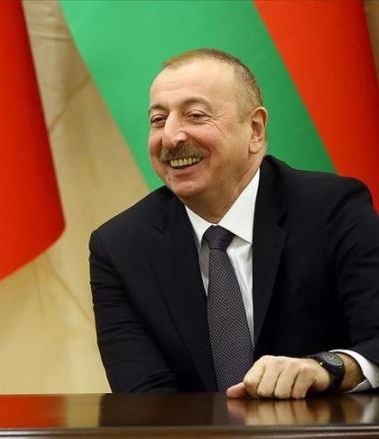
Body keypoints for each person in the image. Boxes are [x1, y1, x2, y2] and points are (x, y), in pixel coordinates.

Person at [90, 49, 379, 399]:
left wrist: (327, 368)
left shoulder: (332, 209)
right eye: (158, 120)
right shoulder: (119, 247)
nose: (170, 137)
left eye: (195, 115)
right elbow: (145, 399)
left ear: (255, 130)